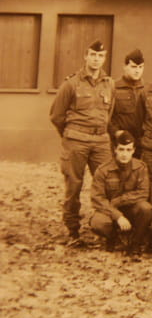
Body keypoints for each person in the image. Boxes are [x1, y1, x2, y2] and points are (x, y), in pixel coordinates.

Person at [50, 40, 115, 244]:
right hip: (76, 140)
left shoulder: (109, 84)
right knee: (74, 185)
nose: (96, 59)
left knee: (108, 184)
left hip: (101, 141)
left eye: (100, 56)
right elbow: (56, 116)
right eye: (93, 55)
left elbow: (109, 114)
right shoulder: (71, 84)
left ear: (104, 59)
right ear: (86, 56)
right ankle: (73, 231)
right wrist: (70, 135)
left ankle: (105, 228)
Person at [89, 131, 152, 254]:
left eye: (128, 150)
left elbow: (143, 193)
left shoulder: (141, 167)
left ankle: (135, 242)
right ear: (115, 150)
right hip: (109, 210)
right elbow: (97, 199)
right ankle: (113, 237)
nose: (124, 154)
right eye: (121, 149)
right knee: (98, 223)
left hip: (131, 209)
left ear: (133, 150)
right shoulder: (103, 170)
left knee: (146, 208)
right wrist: (117, 216)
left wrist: (120, 200)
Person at [109, 49, 145, 156]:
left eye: (140, 67)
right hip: (120, 141)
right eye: (133, 67)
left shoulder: (146, 89)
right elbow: (105, 115)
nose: (137, 71)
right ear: (125, 67)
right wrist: (115, 132)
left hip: (141, 142)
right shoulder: (113, 87)